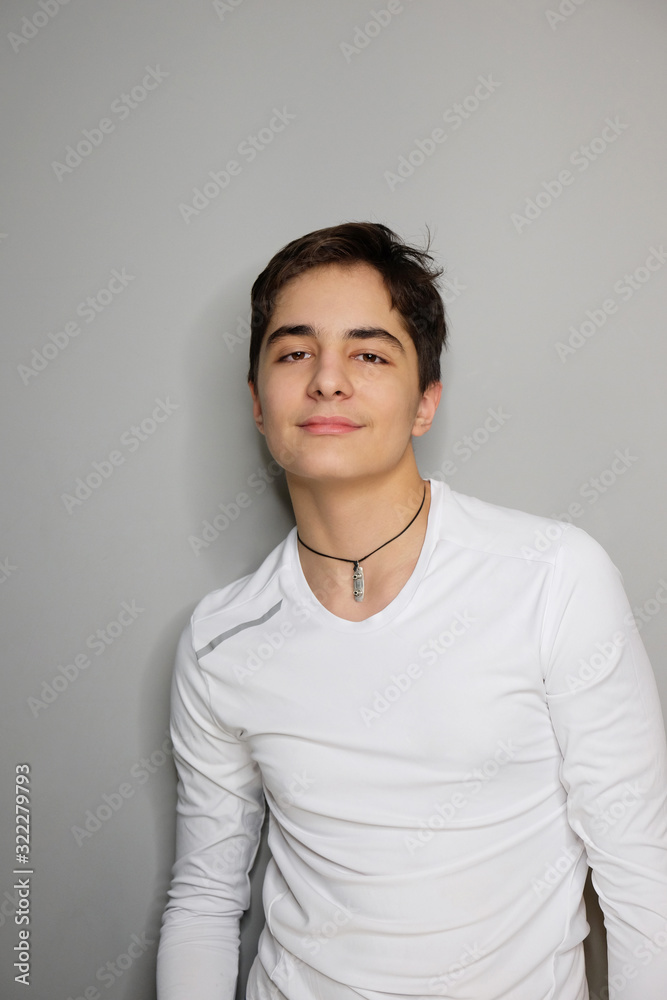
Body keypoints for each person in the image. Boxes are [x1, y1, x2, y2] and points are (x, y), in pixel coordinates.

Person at [156, 222, 667, 1000]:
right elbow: (203, 895)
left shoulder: (552, 578)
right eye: (295, 352)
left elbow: (641, 876)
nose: (327, 380)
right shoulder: (220, 638)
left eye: (368, 353)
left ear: (425, 402)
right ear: (258, 404)